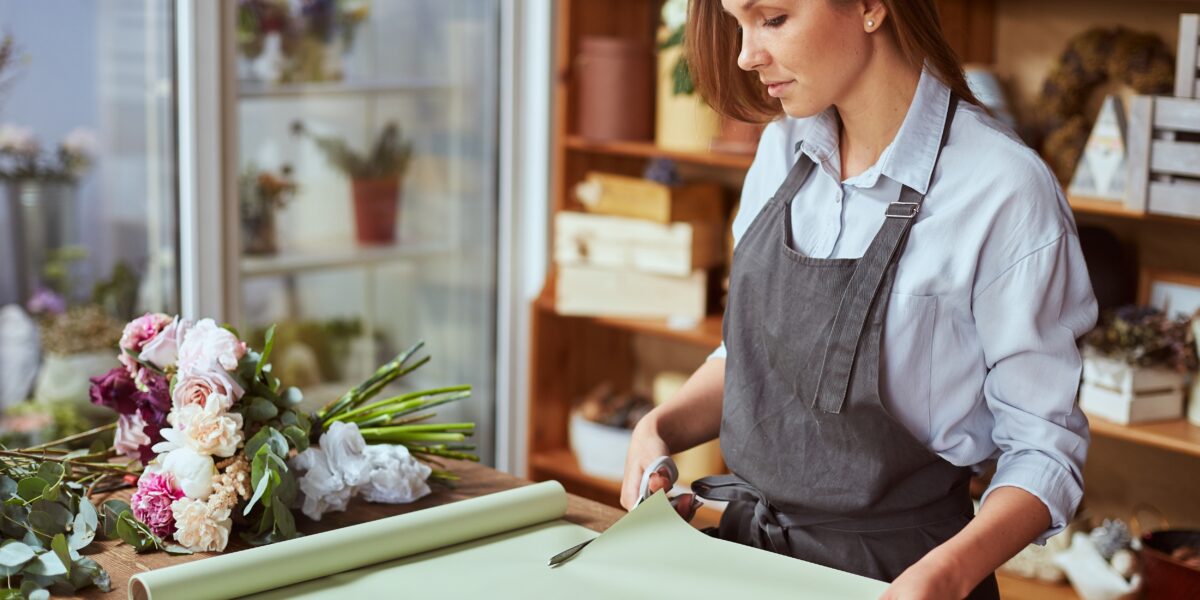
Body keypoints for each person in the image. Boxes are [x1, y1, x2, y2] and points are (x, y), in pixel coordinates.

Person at [619, 1, 1098, 598]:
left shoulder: (1003, 189)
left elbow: (1044, 450)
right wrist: (659, 427)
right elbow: (753, 359)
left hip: (901, 578)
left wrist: (947, 574)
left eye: (772, 19)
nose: (745, 55)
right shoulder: (781, 151)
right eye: (738, 22)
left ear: (871, 7)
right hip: (751, 564)